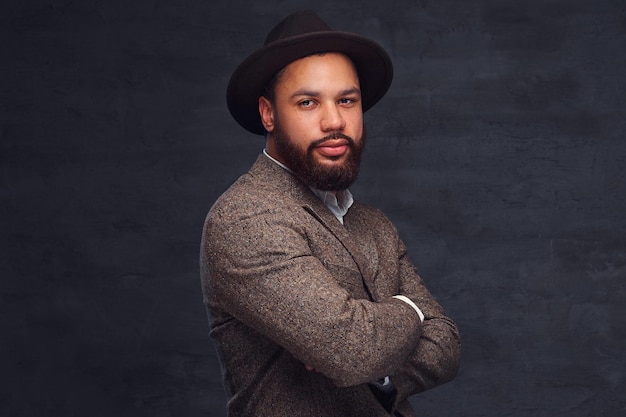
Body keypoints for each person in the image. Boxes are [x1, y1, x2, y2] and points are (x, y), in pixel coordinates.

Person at [200, 10, 461, 417]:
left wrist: (382, 372)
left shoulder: (374, 223)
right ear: (269, 114)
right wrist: (411, 310)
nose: (334, 121)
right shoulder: (246, 219)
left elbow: (445, 342)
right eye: (308, 102)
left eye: (346, 100)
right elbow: (353, 350)